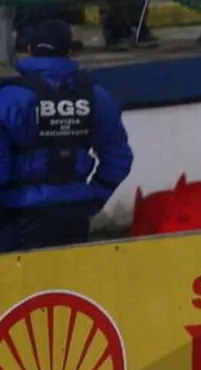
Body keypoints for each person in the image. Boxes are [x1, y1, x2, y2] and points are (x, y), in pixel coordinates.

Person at [0, 19, 134, 253]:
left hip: (20, 214)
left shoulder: (10, 98)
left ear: (29, 49)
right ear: (69, 51)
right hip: (74, 213)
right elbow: (118, 157)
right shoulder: (96, 96)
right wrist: (93, 197)